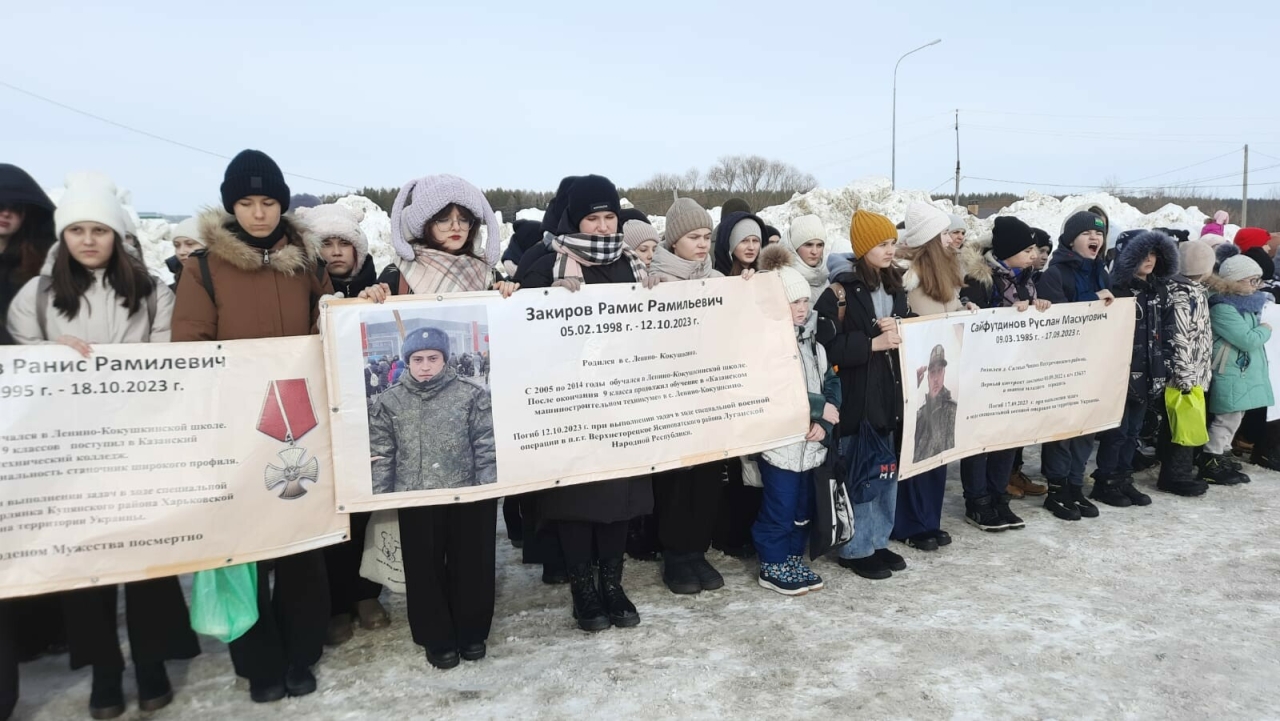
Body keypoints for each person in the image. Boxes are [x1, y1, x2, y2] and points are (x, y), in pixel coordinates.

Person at [8, 174, 196, 719]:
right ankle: (105, 671)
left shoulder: (149, 292)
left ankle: (153, 660)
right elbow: (19, 370)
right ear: (63, 236)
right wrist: (48, 352)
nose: (88, 240)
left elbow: (166, 361)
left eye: (99, 230)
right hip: (69, 452)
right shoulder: (36, 298)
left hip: (137, 443)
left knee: (146, 562)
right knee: (86, 569)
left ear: (116, 234)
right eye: (78, 230)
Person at [172, 149, 332, 703]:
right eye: (247, 202)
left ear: (282, 205)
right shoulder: (203, 269)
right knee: (245, 548)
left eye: (268, 202)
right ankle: (258, 659)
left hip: (301, 421)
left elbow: (328, 323)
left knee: (298, 542)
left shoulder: (307, 262)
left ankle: (300, 652)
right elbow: (189, 347)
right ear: (230, 206)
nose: (259, 213)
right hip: (237, 426)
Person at [356, 174, 508, 669]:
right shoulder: (399, 272)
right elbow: (346, 319)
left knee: (472, 546)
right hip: (415, 461)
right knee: (424, 550)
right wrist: (368, 299)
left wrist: (510, 295)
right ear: (423, 223)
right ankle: (435, 633)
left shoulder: (485, 273)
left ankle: (471, 629)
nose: (457, 226)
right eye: (445, 218)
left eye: (464, 218)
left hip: (467, 450)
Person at [518, 174, 653, 631]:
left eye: (608, 216)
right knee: (577, 500)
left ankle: (612, 584)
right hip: (570, 403)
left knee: (618, 499)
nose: (600, 226)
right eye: (591, 218)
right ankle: (583, 588)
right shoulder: (544, 264)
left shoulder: (632, 263)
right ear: (575, 220)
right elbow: (524, 330)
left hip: (621, 402)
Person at [290, 201, 391, 646]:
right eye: (326, 244)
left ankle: (366, 594)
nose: (335, 253)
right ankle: (334, 603)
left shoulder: (380, 285)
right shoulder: (302, 288)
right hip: (319, 416)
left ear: (358, 250)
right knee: (331, 511)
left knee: (369, 510)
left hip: (371, 418)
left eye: (343, 244)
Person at [815, 209, 908, 580]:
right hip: (856, 397)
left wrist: (901, 327)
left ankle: (879, 540)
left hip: (889, 395)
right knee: (861, 472)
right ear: (864, 247)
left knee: (886, 470)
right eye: (882, 244)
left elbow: (909, 331)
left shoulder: (897, 285)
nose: (890, 251)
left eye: (892, 244)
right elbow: (826, 348)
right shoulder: (839, 290)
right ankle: (856, 547)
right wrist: (873, 343)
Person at [646, 198, 727, 594]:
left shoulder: (715, 277)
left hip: (709, 391)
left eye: (707, 236)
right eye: (693, 236)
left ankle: (698, 550)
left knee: (708, 476)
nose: (701, 244)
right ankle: (676, 555)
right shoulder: (653, 278)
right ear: (674, 239)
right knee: (678, 479)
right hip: (670, 396)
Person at [754, 245, 840, 594]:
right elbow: (775, 392)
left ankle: (792, 557)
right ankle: (772, 563)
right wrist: (818, 409)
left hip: (811, 445)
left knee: (803, 507)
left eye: (805, 301)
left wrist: (826, 421)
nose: (803, 309)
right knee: (780, 506)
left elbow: (832, 383)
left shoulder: (814, 345)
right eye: (794, 303)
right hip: (782, 448)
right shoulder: (768, 348)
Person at [956, 216, 1052, 530]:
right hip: (983, 373)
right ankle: (977, 502)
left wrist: (1039, 306)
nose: (1033, 255)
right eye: (1027, 250)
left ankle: (999, 497)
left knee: (1006, 439)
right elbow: (976, 322)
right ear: (1008, 251)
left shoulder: (1026, 277)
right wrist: (1008, 314)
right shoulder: (979, 279)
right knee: (981, 441)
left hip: (1015, 372)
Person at [893, 201, 967, 550]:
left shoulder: (948, 274)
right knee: (917, 447)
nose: (952, 240)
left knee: (939, 447)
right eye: (944, 235)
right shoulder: (907, 278)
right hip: (916, 376)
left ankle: (930, 520)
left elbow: (948, 313)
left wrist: (965, 312)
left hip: (941, 368)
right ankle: (909, 523)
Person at [1035, 210, 1116, 521]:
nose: (1095, 238)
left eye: (1099, 234)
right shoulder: (1055, 273)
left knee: (1087, 426)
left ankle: (1074, 484)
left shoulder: (1101, 270)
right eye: (1087, 234)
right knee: (1063, 427)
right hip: (1064, 362)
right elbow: (1058, 321)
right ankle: (1056, 489)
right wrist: (1094, 301)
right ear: (1071, 239)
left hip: (1093, 360)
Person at [1091, 230, 1179, 508]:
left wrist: (1165, 363)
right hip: (1121, 372)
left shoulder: (1159, 289)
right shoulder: (1116, 289)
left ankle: (1123, 478)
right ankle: (1106, 481)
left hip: (1150, 371)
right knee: (1116, 432)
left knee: (1134, 432)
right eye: (1142, 254)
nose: (1149, 260)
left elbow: (1167, 330)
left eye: (1154, 254)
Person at [711, 210, 770, 557]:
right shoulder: (717, 278)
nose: (750, 247)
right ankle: (728, 532)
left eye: (755, 241)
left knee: (755, 462)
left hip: (757, 377)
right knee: (730, 464)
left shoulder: (766, 278)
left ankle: (750, 529)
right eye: (744, 240)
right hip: (726, 379)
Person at [1201, 255, 1273, 485]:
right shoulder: (1223, 307)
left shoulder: (1245, 305)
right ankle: (1212, 457)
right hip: (1230, 370)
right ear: (1235, 281)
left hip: (1240, 370)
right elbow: (1247, 339)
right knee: (1226, 418)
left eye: (1258, 281)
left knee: (1235, 415)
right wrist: (1266, 329)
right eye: (1252, 280)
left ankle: (1224, 451)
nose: (1256, 286)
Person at [1157, 241, 1215, 496]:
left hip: (1196, 370)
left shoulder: (1195, 291)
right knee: (1181, 424)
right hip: (1184, 375)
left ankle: (1179, 470)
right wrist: (1186, 376)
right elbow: (1179, 338)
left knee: (1181, 424)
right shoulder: (1181, 295)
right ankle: (1175, 476)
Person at [786, 214, 829, 304]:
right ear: (795, 247)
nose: (814, 251)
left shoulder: (827, 278)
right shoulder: (781, 280)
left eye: (819, 245)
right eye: (808, 245)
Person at [163, 217, 204, 290]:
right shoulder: (173, 290)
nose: (181, 252)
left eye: (190, 244)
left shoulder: (225, 279)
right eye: (177, 245)